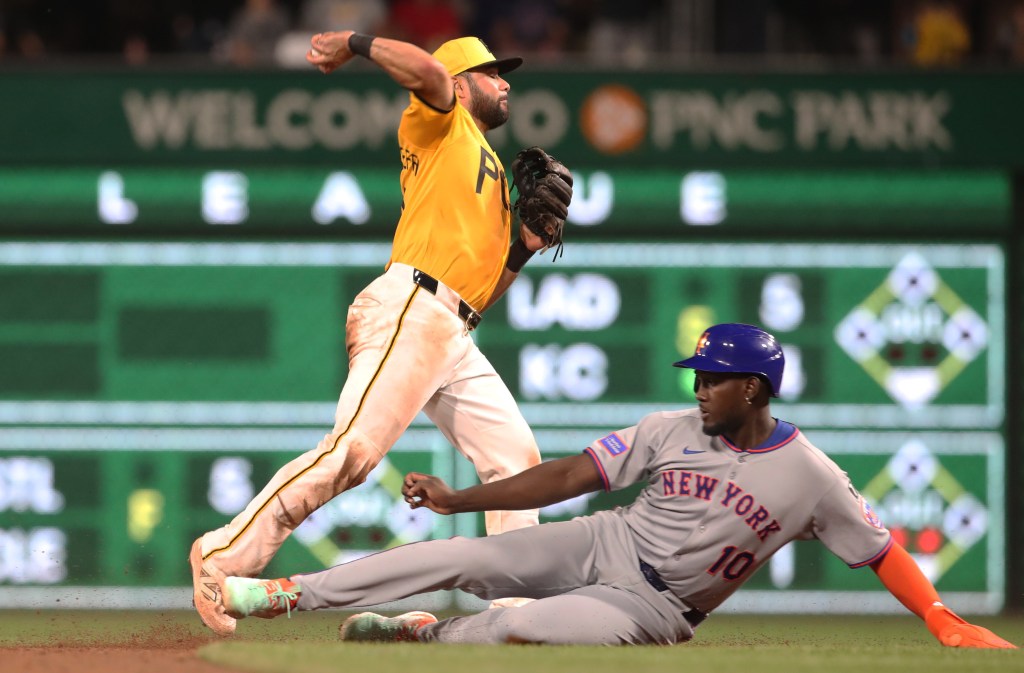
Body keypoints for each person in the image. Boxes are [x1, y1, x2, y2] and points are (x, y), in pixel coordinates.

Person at [218, 323, 1016, 648]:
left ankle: (419, 635)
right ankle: (290, 592)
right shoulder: (672, 425)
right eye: (698, 375)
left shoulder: (812, 476)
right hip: (603, 538)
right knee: (463, 553)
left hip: (656, 604)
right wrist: (461, 497)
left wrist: (942, 619)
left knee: (516, 631)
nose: (700, 386)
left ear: (756, 388)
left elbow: (879, 550)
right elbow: (571, 474)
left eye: (714, 376)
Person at [190, 31, 565, 635]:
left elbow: (477, 297)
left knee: (514, 461)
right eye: (494, 72)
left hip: (453, 328)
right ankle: (219, 557)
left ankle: (514, 617)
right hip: (410, 307)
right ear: (462, 83)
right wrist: (356, 42)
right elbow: (428, 73)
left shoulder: (493, 170)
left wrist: (521, 251)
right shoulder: (442, 124)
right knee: (353, 453)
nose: (507, 82)